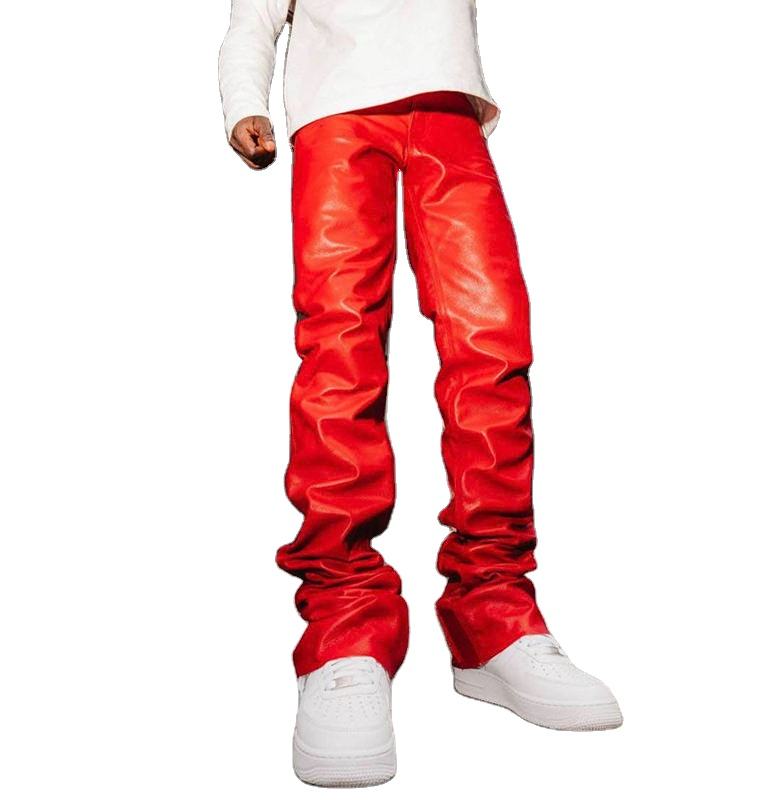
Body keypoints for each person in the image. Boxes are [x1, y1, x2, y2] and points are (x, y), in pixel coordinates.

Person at [219, 0, 622, 787]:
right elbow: (252, 20)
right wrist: (244, 103)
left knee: (491, 340)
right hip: (337, 115)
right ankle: (343, 630)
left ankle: (492, 616)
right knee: (341, 352)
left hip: (448, 115)